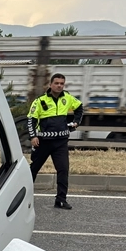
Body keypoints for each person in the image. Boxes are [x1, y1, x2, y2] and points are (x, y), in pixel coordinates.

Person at [26, 73, 84, 209]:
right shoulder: (40, 100)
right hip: (43, 142)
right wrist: (33, 136)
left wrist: (76, 122)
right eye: (56, 83)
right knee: (33, 170)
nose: (59, 86)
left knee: (63, 170)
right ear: (50, 84)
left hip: (61, 142)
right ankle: (23, 198)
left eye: (62, 83)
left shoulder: (68, 97)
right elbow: (31, 119)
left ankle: (61, 200)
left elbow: (80, 107)